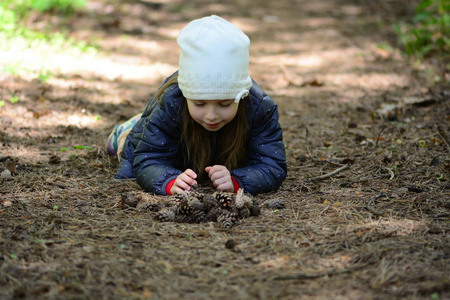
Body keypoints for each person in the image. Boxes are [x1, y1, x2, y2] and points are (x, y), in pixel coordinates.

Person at [106, 15, 287, 196]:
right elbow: (148, 158)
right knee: (132, 146)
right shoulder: (172, 102)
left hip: (221, 155)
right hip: (174, 151)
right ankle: (125, 130)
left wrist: (237, 180)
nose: (211, 115)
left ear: (241, 97)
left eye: (224, 104)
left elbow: (271, 164)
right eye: (199, 103)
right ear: (186, 96)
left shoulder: (258, 107)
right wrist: (168, 181)